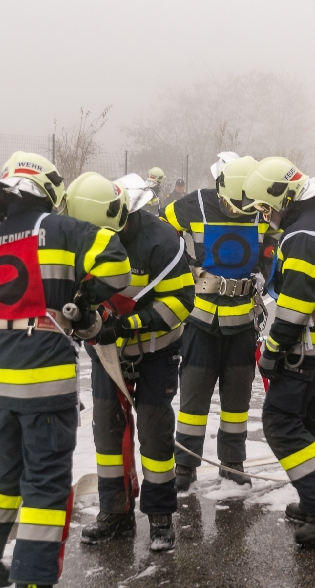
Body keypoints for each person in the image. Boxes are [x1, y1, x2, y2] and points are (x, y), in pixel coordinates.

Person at [0, 152, 131, 588]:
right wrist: (81, 301)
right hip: (45, 381)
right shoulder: (65, 229)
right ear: (51, 190)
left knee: (1, 476)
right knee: (46, 485)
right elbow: (117, 265)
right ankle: (33, 579)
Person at [66, 172, 194, 552]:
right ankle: (115, 513)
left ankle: (160, 517)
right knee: (107, 432)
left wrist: (127, 325)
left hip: (156, 351)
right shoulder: (80, 239)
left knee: (155, 432)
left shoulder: (161, 240)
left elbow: (181, 302)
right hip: (106, 355)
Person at [240, 156, 315, 545]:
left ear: (283, 197)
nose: (265, 215)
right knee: (312, 418)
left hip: (313, 345)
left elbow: (295, 307)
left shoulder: (303, 235)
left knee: (280, 420)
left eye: (265, 207)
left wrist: (273, 351)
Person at [163, 154, 266, 491]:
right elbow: (161, 229)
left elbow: (274, 248)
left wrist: (266, 275)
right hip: (200, 321)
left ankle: (233, 463)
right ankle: (185, 465)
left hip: (243, 324)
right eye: (234, 206)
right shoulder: (194, 204)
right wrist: (182, 268)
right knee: (194, 397)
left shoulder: (260, 209)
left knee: (237, 400)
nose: (240, 212)